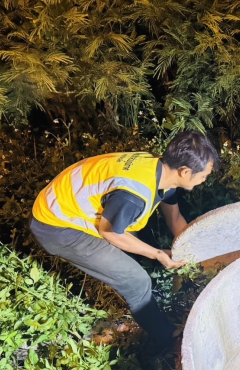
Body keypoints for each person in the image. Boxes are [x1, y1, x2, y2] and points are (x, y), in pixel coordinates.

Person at [30, 131, 219, 347]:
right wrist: (157, 254)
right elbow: (110, 232)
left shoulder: (161, 170)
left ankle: (152, 296)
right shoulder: (133, 195)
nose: (205, 180)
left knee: (138, 242)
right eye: (204, 176)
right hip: (57, 226)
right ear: (185, 172)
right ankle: (166, 339)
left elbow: (175, 218)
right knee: (136, 280)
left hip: (67, 200)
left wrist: (195, 252)